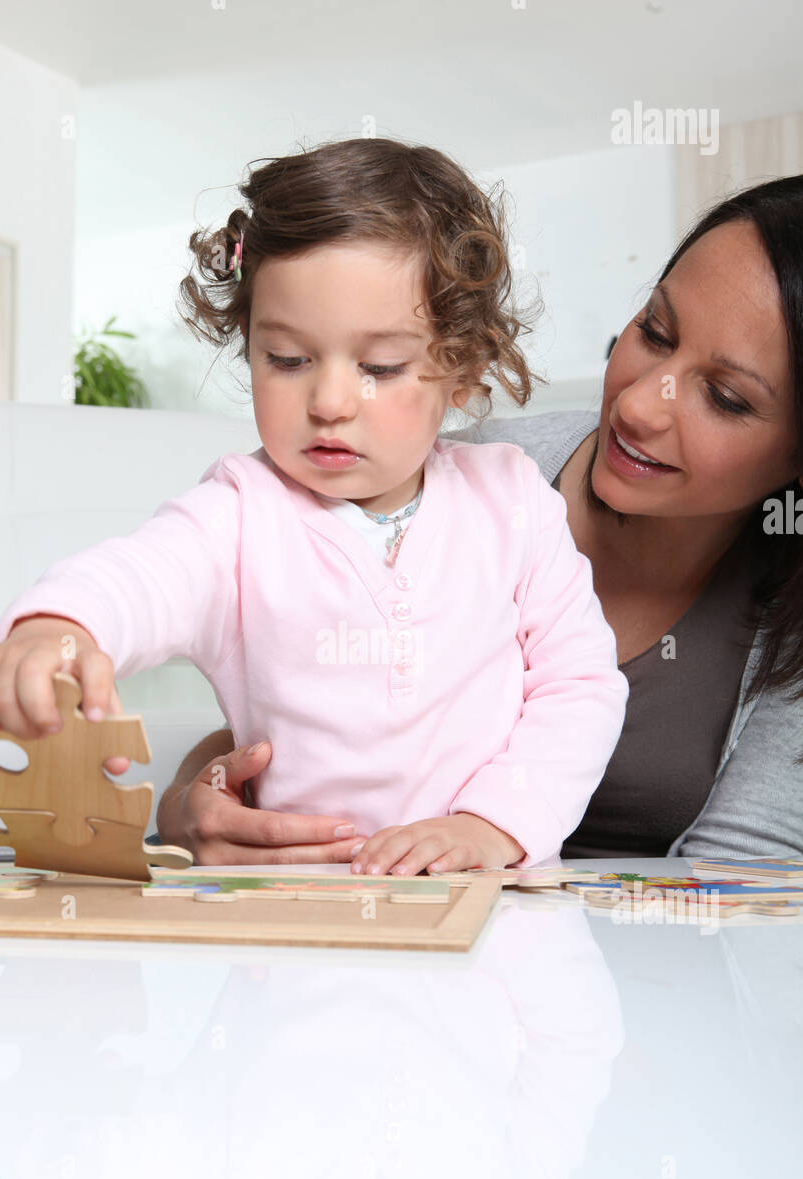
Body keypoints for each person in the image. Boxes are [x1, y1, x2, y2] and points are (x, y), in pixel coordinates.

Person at [0, 137, 628, 875]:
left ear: (464, 371)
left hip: (494, 905)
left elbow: (579, 685)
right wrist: (57, 625)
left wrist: (494, 827)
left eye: (379, 367)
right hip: (292, 924)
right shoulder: (239, 515)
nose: (331, 402)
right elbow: (141, 576)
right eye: (287, 359)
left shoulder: (511, 501)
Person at [156, 175, 803, 864]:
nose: (641, 406)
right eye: (654, 331)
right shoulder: (442, 481)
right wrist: (186, 807)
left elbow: (747, 892)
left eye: (726, 398)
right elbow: (294, 716)